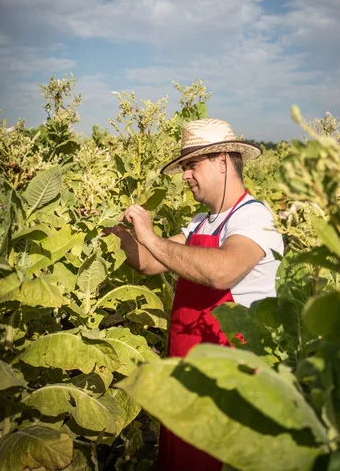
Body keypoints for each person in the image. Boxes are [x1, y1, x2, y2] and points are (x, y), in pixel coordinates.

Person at [108, 118, 284, 471]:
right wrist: (119, 232)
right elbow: (148, 263)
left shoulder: (254, 218)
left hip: (227, 386)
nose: (185, 175)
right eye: (184, 167)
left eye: (192, 165)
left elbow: (221, 272)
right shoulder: (201, 222)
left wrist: (152, 237)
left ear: (222, 161)